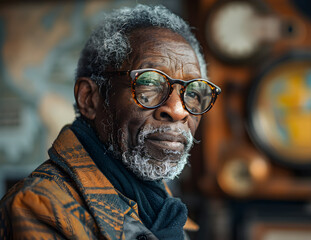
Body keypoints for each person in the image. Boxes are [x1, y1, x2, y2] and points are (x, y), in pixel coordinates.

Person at [0, 4, 220, 240]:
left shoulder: (166, 211)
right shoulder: (40, 207)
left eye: (194, 93)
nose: (178, 110)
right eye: (149, 84)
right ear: (90, 99)